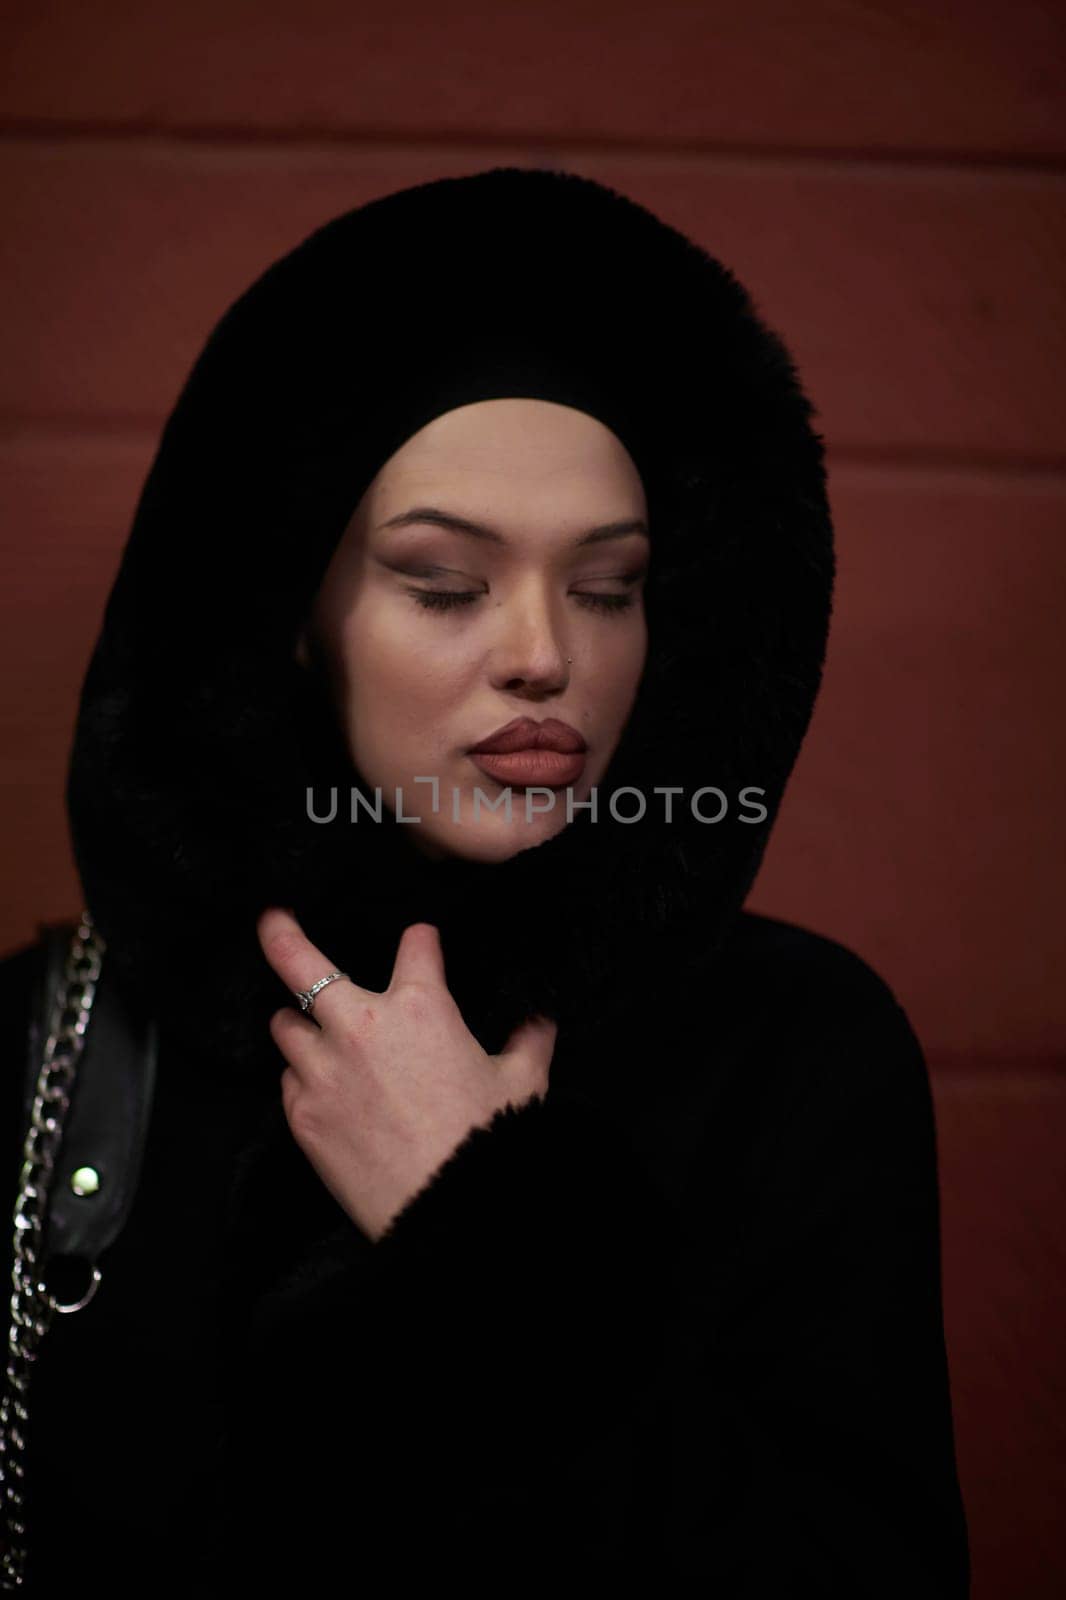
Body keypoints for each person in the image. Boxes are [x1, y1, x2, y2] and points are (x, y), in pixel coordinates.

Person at [0, 165, 970, 1594]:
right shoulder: (56, 1047)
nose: (541, 655)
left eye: (606, 586)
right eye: (444, 583)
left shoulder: (797, 1049)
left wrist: (481, 1227)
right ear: (299, 624)